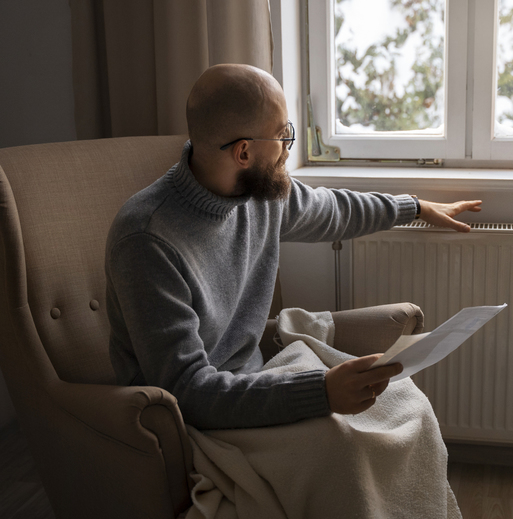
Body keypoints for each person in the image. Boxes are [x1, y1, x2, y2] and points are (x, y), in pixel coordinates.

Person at [105, 63, 482, 431]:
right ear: (243, 153)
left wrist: (414, 207)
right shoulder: (147, 241)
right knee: (353, 443)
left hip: (254, 382)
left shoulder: (257, 194)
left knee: (406, 407)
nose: (288, 148)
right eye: (283, 134)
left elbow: (334, 210)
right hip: (194, 422)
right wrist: (320, 393)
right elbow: (186, 391)